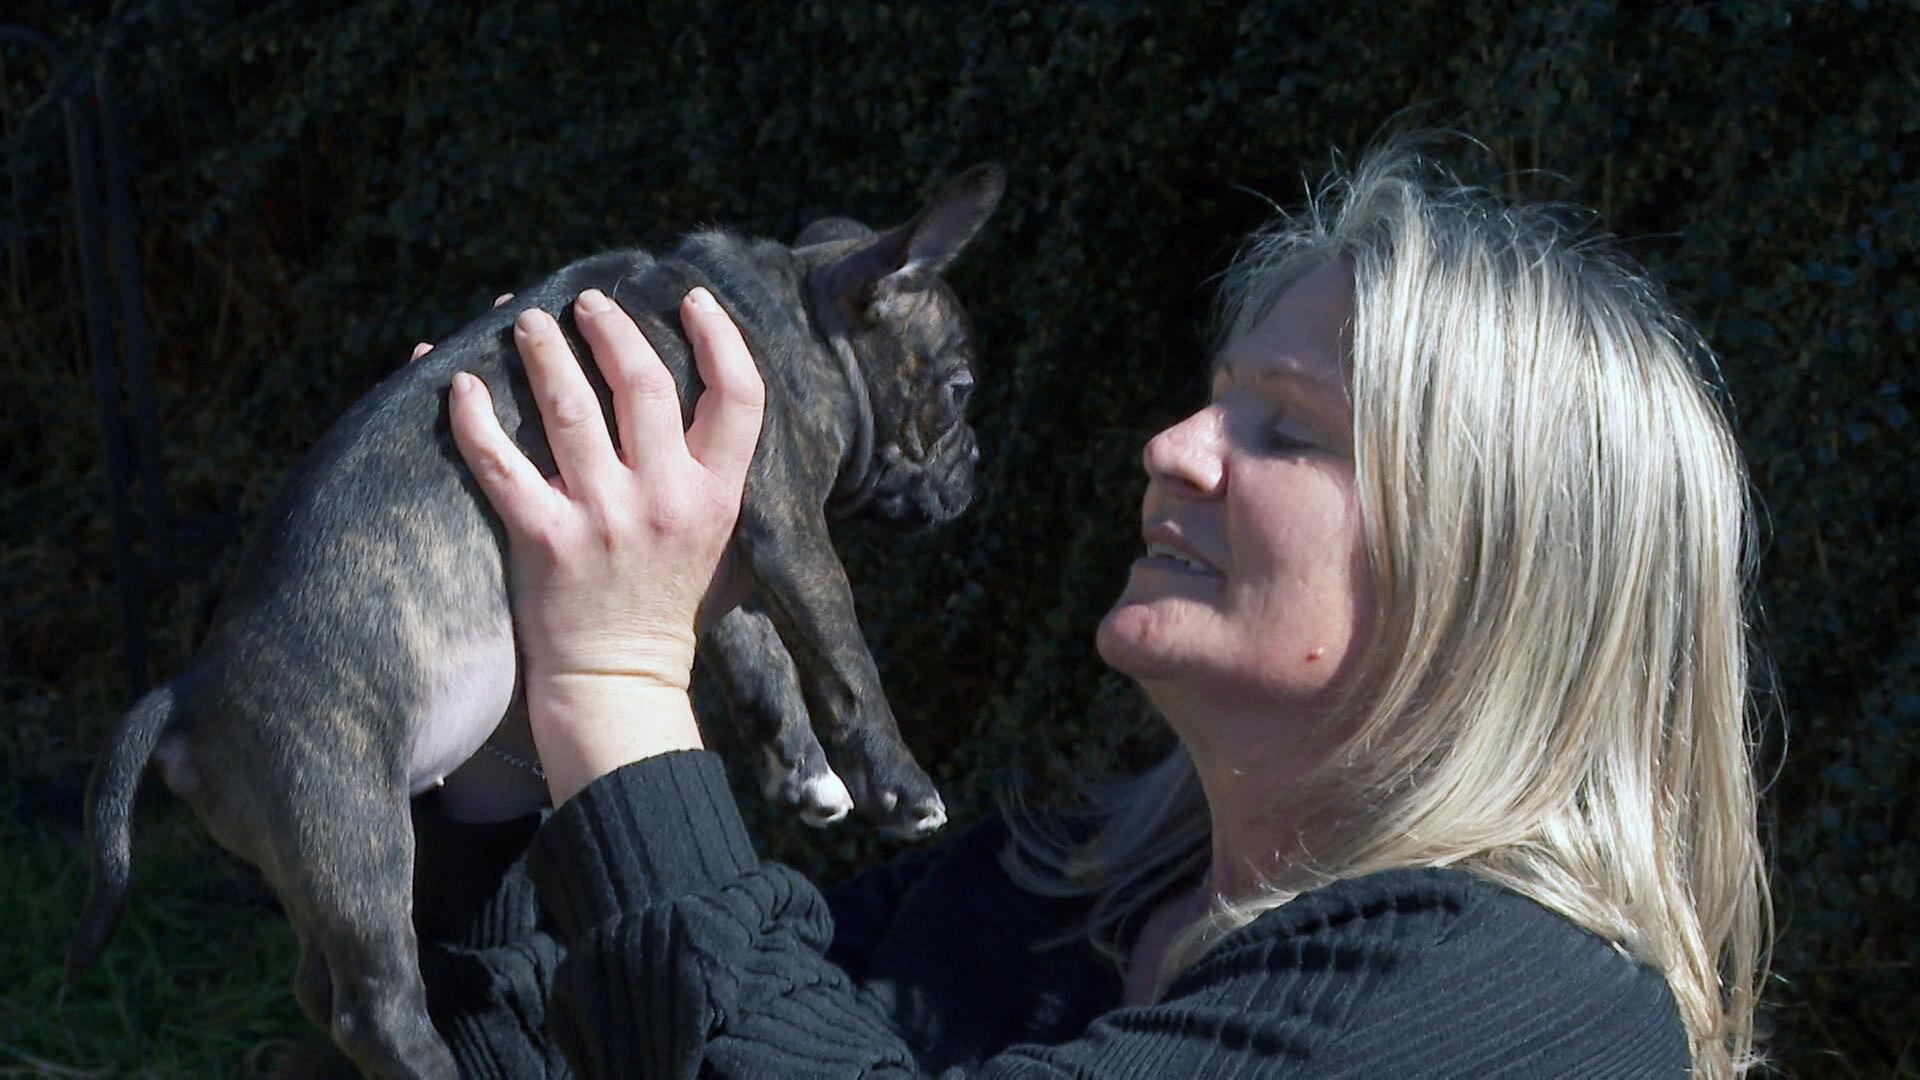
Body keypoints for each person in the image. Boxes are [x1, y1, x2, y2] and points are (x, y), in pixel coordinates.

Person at [403, 140, 1772, 1078]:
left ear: (1497, 564)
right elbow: (608, 1043)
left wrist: (623, 682)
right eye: (1217, 394)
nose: (1174, 445)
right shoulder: (1041, 890)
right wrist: (507, 744)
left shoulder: (1524, 1005)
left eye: (1287, 433)